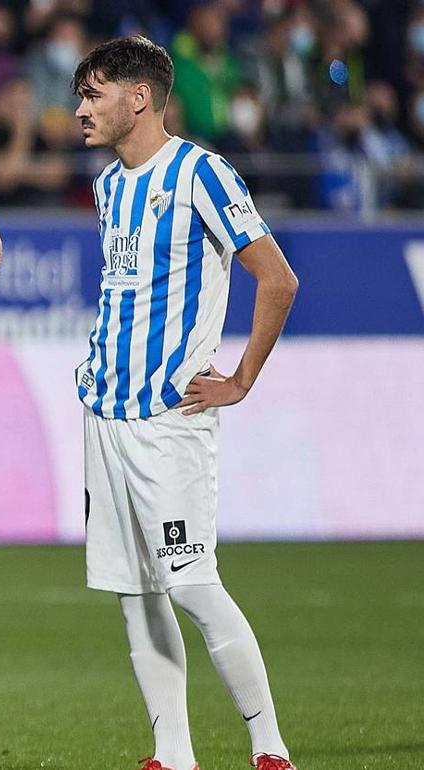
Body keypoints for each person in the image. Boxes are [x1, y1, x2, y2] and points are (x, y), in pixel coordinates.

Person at [71, 36, 299, 770]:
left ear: (138, 98)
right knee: (136, 594)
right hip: (105, 412)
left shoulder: (201, 173)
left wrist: (240, 381)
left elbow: (278, 279)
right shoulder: (109, 186)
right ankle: (173, 756)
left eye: (94, 95)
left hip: (170, 422)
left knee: (193, 583)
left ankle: (270, 748)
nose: (80, 110)